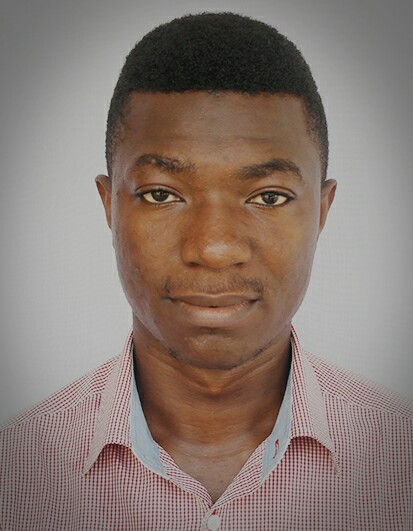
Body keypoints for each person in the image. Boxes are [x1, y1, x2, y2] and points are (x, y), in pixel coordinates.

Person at [0, 11, 411, 531]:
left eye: (268, 197)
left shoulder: (401, 458)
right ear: (110, 206)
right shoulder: (14, 474)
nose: (214, 249)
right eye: (161, 194)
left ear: (322, 211)